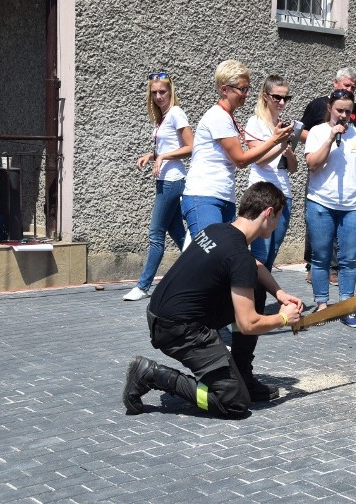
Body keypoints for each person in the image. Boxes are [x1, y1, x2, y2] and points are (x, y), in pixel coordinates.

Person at [123, 182, 303, 417]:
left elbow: (253, 267)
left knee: (256, 288)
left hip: (164, 314)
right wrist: (283, 318)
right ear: (268, 213)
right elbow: (248, 324)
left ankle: (243, 376)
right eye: (278, 217)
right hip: (178, 330)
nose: (279, 224)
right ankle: (152, 374)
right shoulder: (238, 255)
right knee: (234, 402)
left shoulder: (219, 230)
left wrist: (278, 293)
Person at [181, 60, 293, 237]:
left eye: (247, 88)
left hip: (222, 196)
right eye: (242, 89)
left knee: (221, 257)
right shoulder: (218, 117)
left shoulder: (227, 117)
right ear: (224, 89)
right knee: (211, 254)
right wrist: (274, 140)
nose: (247, 94)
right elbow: (240, 160)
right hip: (204, 196)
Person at [304, 89, 356, 327]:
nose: (344, 115)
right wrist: (331, 137)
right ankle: (322, 305)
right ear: (330, 109)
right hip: (321, 202)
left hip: (352, 206)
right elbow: (312, 164)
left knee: (348, 260)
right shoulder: (317, 132)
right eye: (339, 110)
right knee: (321, 257)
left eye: (348, 111)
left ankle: (347, 306)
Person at [123, 71, 194, 301]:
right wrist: (151, 155)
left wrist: (162, 157)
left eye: (162, 91)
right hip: (164, 181)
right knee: (180, 236)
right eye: (154, 92)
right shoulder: (162, 117)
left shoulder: (176, 113)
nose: (158, 96)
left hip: (173, 181)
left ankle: (143, 286)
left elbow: (191, 147)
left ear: (171, 91)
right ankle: (202, 269)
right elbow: (168, 148)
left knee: (156, 234)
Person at [300, 67, 356, 284]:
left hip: (348, 185)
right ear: (335, 84)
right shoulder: (317, 105)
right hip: (322, 173)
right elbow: (301, 131)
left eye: (353, 87)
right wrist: (324, 138)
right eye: (346, 85)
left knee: (344, 232)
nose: (350, 89)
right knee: (318, 224)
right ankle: (314, 264)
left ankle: (334, 268)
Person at [245, 75, 298, 271]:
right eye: (277, 97)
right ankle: (252, 299)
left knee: (272, 252)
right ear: (265, 96)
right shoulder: (255, 123)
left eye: (286, 98)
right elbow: (258, 159)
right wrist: (280, 143)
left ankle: (257, 297)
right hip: (262, 193)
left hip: (284, 193)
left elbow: (292, 168)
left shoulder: (283, 126)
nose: (282, 102)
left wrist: (290, 153)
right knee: (260, 253)